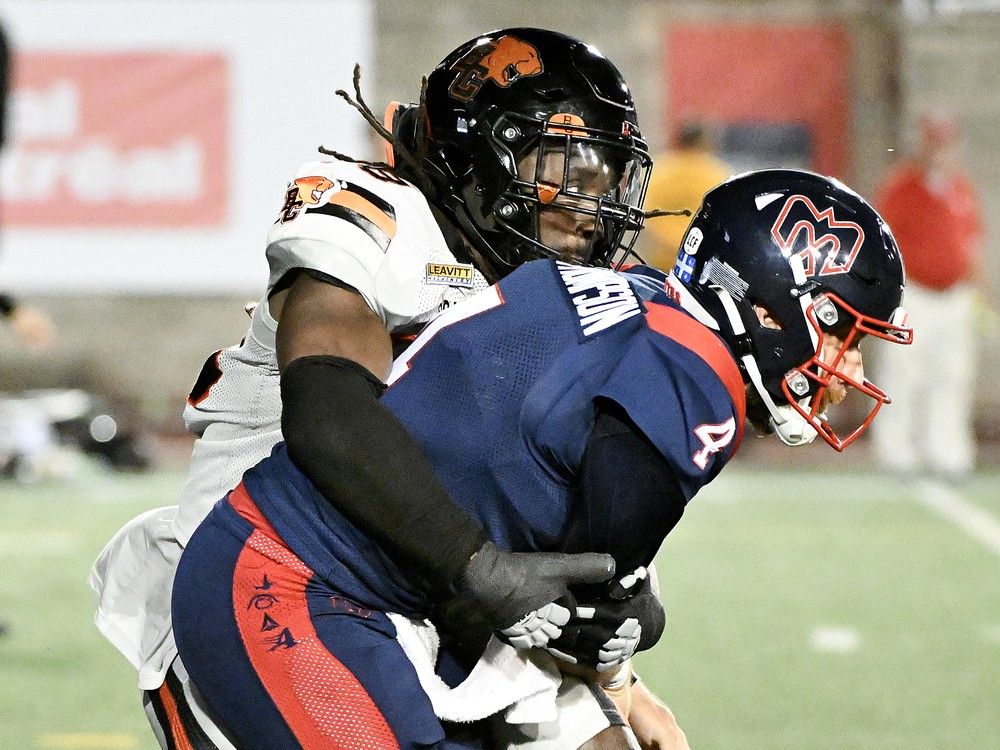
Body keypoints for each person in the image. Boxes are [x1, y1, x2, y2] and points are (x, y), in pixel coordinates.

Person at [168, 168, 913, 750]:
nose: (843, 366)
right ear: (776, 305)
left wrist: (619, 623)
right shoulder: (697, 378)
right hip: (292, 583)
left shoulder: (635, 296)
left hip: (359, 592)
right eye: (841, 334)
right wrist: (626, 620)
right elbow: (586, 585)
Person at [91, 27, 687, 750]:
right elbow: (332, 417)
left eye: (603, 182)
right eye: (563, 173)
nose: (587, 210)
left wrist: (615, 668)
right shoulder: (383, 217)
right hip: (281, 577)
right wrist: (484, 568)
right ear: (477, 154)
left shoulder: (564, 297)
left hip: (443, 598)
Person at [870, 108, 984, 481]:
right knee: (904, 375)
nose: (941, 151)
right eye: (934, 142)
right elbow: (882, 240)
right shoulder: (903, 187)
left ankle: (948, 452)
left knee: (953, 376)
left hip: (954, 298)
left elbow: (971, 240)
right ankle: (896, 452)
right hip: (915, 295)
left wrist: (975, 285)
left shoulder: (960, 188)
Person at [640, 122, 731, 271]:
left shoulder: (660, 170)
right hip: (698, 261)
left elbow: (646, 212)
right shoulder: (717, 174)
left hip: (661, 260)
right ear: (705, 142)